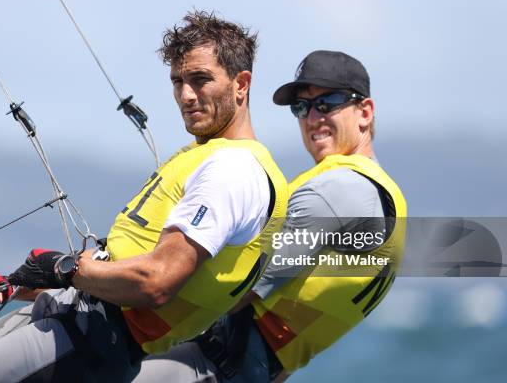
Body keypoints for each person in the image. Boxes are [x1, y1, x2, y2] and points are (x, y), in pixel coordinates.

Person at [0, 11, 288, 383]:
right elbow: (112, 270)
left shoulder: (233, 171)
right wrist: (13, 284)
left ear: (241, 84)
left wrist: (67, 268)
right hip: (68, 318)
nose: (186, 95)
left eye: (200, 80)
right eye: (178, 81)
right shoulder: (211, 157)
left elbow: (156, 281)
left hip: (90, 342)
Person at [133, 50, 407, 382]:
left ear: (365, 112)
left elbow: (239, 288)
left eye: (327, 102)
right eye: (301, 108)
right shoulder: (384, 195)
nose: (312, 117)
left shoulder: (337, 191)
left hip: (211, 363)